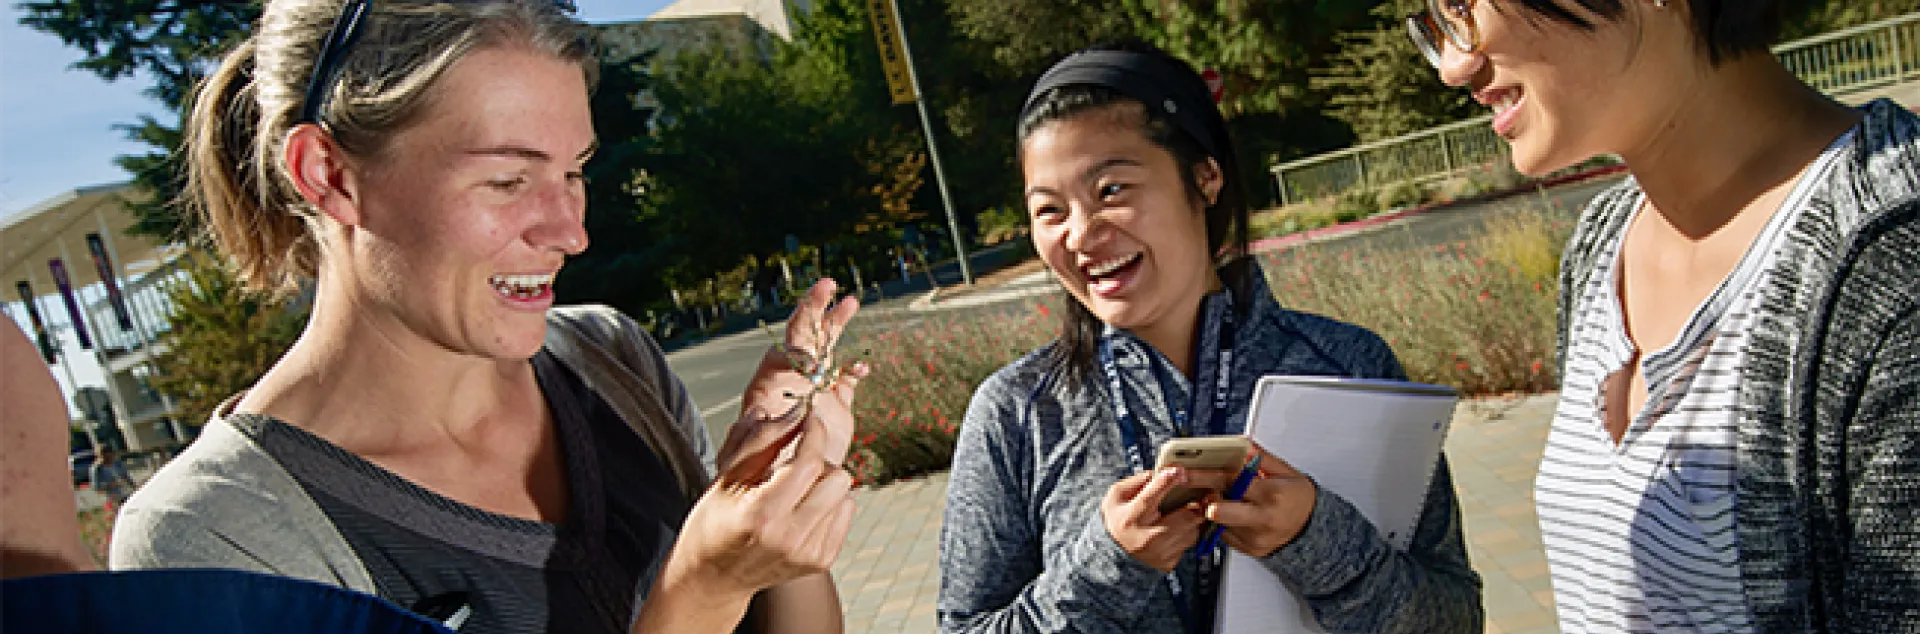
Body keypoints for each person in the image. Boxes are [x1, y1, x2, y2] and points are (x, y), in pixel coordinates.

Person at [108, 2, 868, 633]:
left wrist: (775, 508)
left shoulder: (612, 357)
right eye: (507, 180)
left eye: (574, 172)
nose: (571, 231)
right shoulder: (213, 537)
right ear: (328, 176)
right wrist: (701, 588)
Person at [938, 42, 1484, 634]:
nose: (1081, 234)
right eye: (1049, 211)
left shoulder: (1350, 365)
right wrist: (1108, 568)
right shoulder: (1015, 413)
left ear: (1205, 178)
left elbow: (1453, 619)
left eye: (1112, 190)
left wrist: (1314, 540)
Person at [1410, 0, 1920, 631]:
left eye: (1463, 7)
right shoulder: (1603, 242)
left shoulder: (1893, 265)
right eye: (1434, 25)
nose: (1454, 66)